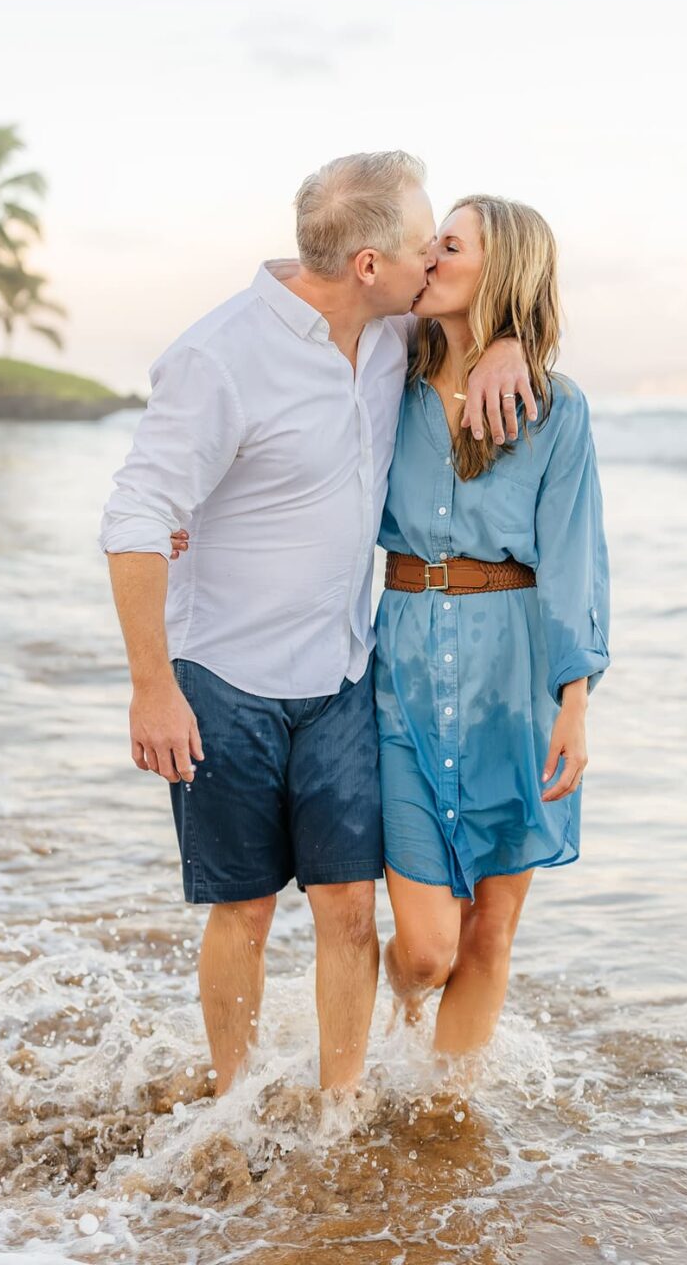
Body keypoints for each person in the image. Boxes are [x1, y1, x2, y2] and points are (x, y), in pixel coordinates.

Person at [98, 152, 535, 1096]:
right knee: (245, 911)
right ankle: (236, 1102)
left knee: (346, 908)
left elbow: (483, 307)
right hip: (223, 678)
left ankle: (336, 1113)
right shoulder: (218, 357)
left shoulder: (388, 332)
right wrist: (151, 688)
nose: (436, 259)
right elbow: (137, 516)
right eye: (424, 244)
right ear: (369, 265)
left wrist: (511, 347)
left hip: (343, 673)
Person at [375, 195, 610, 1061]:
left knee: (490, 935)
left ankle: (446, 1120)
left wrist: (573, 704)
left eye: (449, 246)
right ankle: (393, 1002)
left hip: (514, 686)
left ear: (500, 272)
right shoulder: (382, 375)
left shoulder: (557, 412)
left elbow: (574, 560)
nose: (426, 257)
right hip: (401, 675)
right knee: (430, 949)